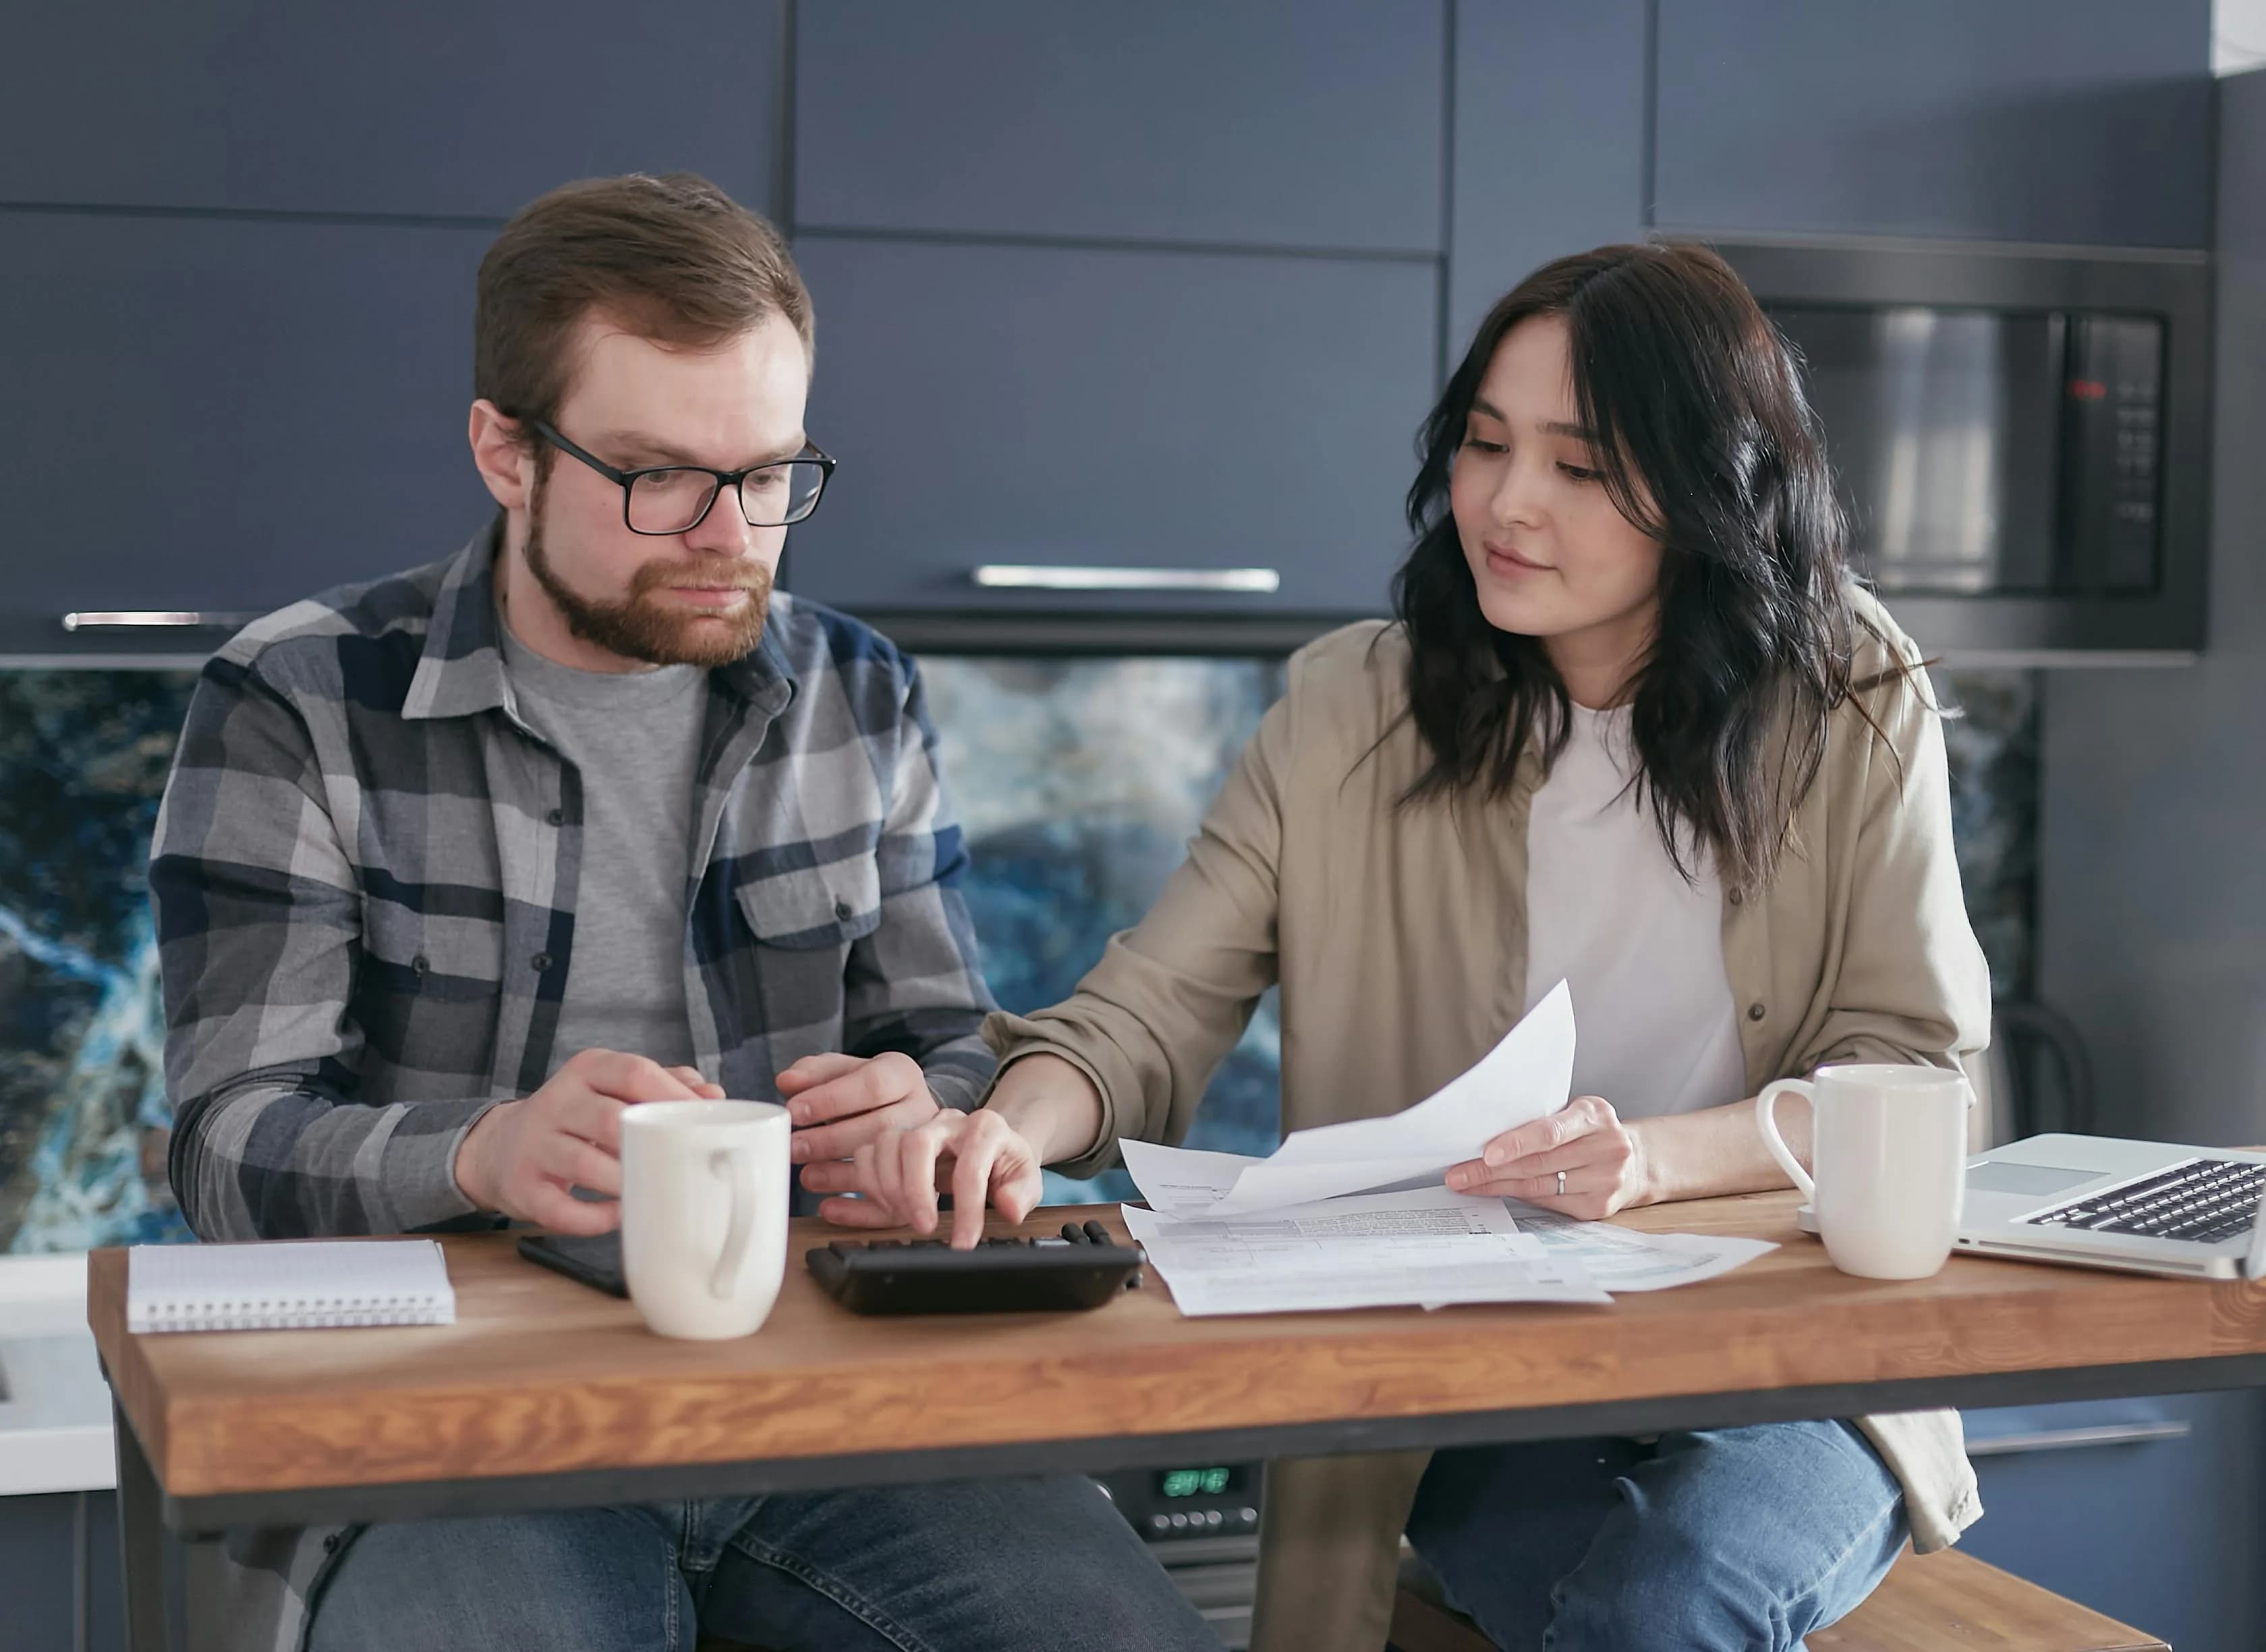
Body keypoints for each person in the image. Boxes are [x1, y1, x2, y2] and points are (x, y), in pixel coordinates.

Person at [803, 243, 1993, 1652]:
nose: (1507, 501)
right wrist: (1011, 1124)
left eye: (1580, 464)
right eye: (1487, 445)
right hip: (1483, 1361)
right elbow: (1147, 1010)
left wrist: (1659, 1159)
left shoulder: (1851, 690)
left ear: (1706, 484)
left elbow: (1913, 1069)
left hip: (1787, 1350)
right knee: (1616, 1618)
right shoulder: (1350, 704)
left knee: (1678, 1596)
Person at [150, 172, 1217, 1652]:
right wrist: (485, 1149)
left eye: (771, 472)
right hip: (459, 1434)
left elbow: (952, 1048)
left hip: (836, 1405)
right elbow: (223, 1145)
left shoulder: (856, 691)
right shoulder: (301, 700)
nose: (733, 533)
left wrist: (925, 1110)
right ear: (504, 450)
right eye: (659, 475)